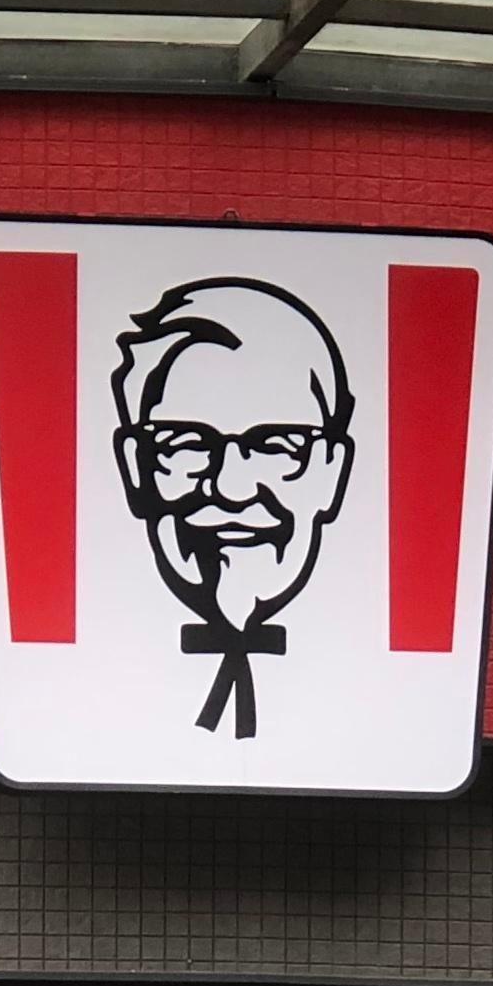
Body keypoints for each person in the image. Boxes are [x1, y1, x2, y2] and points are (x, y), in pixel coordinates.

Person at [105, 277, 358, 740]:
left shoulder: (362, 684)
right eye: (186, 443)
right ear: (135, 468)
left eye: (277, 446)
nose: (231, 488)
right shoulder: (103, 668)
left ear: (333, 470)